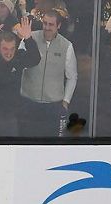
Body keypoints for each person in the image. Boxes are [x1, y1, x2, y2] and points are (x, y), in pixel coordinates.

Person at [20, 9, 78, 137]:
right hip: (29, 102)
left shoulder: (67, 46)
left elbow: (72, 76)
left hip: (53, 106)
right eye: (45, 23)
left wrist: (66, 101)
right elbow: (17, 65)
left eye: (51, 24)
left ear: (58, 26)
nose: (47, 27)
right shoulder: (30, 37)